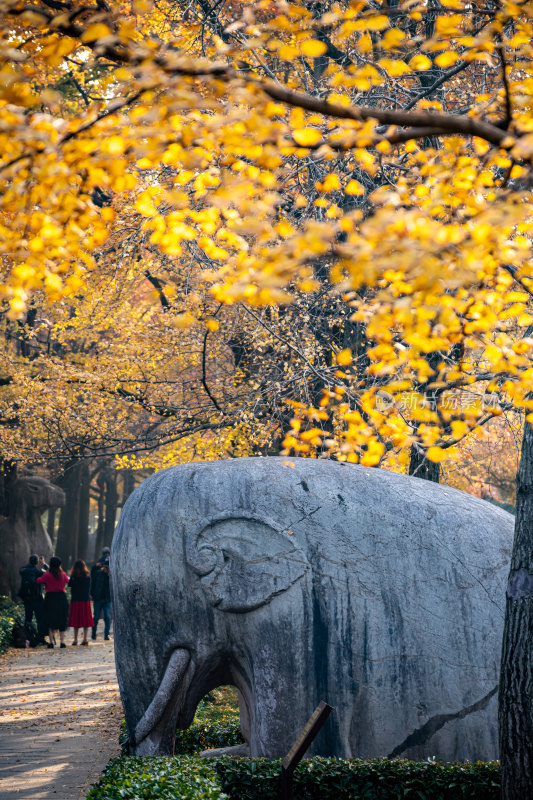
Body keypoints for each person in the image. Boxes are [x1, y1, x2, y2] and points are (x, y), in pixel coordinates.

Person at [36, 556, 69, 649]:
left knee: (50, 620)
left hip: (50, 599)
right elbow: (67, 581)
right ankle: (62, 642)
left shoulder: (47, 575)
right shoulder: (62, 574)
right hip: (61, 598)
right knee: (62, 619)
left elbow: (38, 581)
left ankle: (51, 643)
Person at [18, 554, 48, 644]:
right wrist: (44, 563)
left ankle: (28, 638)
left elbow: (22, 570)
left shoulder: (23, 571)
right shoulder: (38, 572)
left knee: (28, 618)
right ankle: (40, 637)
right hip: (37, 598)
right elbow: (47, 571)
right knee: (40, 618)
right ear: (37, 562)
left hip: (26, 598)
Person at [68, 560, 94, 646]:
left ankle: (75, 640)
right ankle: (85, 639)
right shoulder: (87, 577)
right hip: (85, 601)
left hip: (75, 601)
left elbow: (69, 585)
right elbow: (89, 588)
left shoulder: (73, 577)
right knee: (85, 621)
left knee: (76, 621)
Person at [91, 556, 111, 640]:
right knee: (96, 617)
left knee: (107, 617)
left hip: (107, 599)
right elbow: (92, 583)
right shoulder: (98, 573)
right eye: (106, 568)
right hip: (98, 599)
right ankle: (93, 634)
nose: (107, 570)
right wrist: (92, 594)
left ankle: (106, 635)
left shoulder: (112, 577)